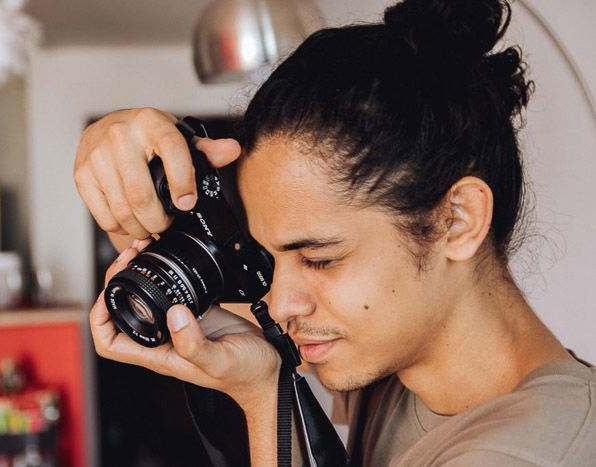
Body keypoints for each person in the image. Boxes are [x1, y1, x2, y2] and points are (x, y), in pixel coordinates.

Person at [73, 0, 596, 465]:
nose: (279, 306)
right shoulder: (403, 363)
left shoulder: (524, 452)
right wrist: (120, 169)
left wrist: (263, 401)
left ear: (456, 220)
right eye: (270, 259)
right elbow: (205, 309)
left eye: (319, 259)